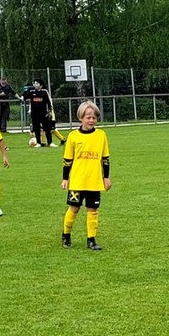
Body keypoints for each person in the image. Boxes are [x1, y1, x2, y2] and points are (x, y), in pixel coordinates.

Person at [60, 101, 111, 250]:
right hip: (77, 181)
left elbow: (105, 159)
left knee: (92, 210)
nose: (91, 120)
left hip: (94, 181)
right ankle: (66, 235)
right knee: (74, 209)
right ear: (80, 118)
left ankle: (91, 240)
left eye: (94, 117)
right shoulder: (73, 136)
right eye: (88, 117)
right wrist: (65, 178)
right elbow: (67, 160)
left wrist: (106, 177)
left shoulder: (101, 135)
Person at [26, 78, 55, 146]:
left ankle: (50, 142)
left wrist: (50, 111)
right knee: (36, 128)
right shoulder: (32, 92)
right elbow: (24, 96)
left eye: (37, 83)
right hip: (34, 114)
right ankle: (38, 142)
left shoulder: (44, 92)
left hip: (43, 113)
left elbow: (49, 102)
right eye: (35, 83)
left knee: (47, 128)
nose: (35, 85)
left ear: (41, 85)